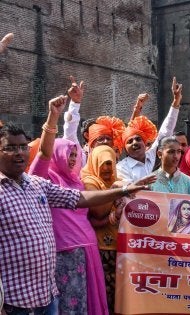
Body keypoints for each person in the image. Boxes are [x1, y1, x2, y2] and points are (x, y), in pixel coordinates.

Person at [0, 123, 150, 313]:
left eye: (23, 147)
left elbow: (79, 198)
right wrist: (55, 116)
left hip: (46, 294)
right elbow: (45, 155)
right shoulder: (39, 178)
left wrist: (124, 190)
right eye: (10, 148)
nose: (19, 153)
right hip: (15, 300)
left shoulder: (37, 184)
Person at [27, 95, 108, 314]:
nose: (73, 159)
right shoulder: (44, 179)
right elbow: (44, 153)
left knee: (87, 302)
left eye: (75, 155)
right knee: (69, 305)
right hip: (65, 251)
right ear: (58, 155)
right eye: (68, 154)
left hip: (87, 247)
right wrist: (55, 116)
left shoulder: (77, 181)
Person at [117, 78, 182, 182]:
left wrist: (176, 101)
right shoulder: (121, 167)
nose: (135, 143)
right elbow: (129, 191)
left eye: (138, 139)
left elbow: (166, 130)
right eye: (130, 141)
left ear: (145, 142)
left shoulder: (153, 155)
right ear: (125, 148)